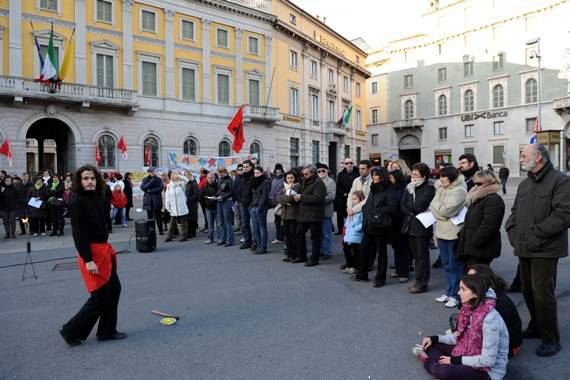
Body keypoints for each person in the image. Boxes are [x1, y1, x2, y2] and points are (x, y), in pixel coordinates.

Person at [505, 144, 570, 357]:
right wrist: (513, 233)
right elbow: (514, 213)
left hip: (546, 248)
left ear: (539, 157)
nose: (521, 160)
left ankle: (551, 339)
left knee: (542, 294)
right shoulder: (525, 184)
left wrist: (535, 235)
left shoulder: (561, 180)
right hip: (524, 247)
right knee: (528, 290)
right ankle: (535, 326)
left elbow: (563, 215)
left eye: (524, 156)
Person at [59, 164, 126, 347]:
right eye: (85, 179)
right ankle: (70, 330)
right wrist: (88, 260)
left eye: (92, 178)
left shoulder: (97, 195)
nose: (90, 182)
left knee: (114, 290)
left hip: (103, 250)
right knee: (99, 297)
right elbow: (78, 234)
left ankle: (107, 331)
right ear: (79, 182)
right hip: (92, 254)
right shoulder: (77, 201)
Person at [412, 274, 509, 380]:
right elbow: (457, 337)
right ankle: (450, 370)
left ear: (475, 293)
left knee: (444, 371)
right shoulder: (469, 308)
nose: (458, 292)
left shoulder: (490, 320)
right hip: (467, 353)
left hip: (488, 371)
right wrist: (434, 338)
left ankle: (428, 361)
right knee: (430, 345)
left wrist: (454, 360)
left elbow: (488, 360)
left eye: (463, 289)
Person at [430, 166, 468, 308]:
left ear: (450, 178)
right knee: (446, 265)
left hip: (453, 233)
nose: (440, 179)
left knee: (455, 265)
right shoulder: (442, 188)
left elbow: (447, 211)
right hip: (441, 231)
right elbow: (434, 204)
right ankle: (450, 291)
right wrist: (439, 210)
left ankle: (457, 295)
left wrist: (437, 210)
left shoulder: (459, 190)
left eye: (443, 177)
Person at [466, 264, 523, 357]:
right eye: (468, 277)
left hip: (509, 345)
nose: (468, 281)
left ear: (484, 279)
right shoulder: (484, 292)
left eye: (472, 278)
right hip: (499, 337)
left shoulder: (493, 300)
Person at [354, 167, 397, 286]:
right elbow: (368, 204)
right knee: (363, 249)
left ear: (382, 176)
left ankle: (380, 278)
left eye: (376, 175)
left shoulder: (389, 190)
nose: (373, 177)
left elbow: (392, 207)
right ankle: (362, 274)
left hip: (380, 225)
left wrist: (376, 212)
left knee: (381, 253)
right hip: (369, 224)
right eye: (373, 175)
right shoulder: (373, 188)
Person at [456, 170, 505, 267]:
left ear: (489, 183)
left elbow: (489, 226)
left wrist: (475, 241)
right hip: (473, 248)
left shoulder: (493, 199)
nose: (476, 186)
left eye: (479, 183)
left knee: (478, 277)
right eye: (475, 183)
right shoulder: (478, 198)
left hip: (482, 249)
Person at [401, 162, 436, 294]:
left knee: (422, 257)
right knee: (416, 256)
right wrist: (412, 210)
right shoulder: (409, 187)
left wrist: (412, 208)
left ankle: (422, 283)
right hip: (409, 225)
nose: (413, 177)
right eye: (412, 174)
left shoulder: (429, 188)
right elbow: (402, 206)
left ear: (424, 176)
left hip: (422, 226)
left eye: (416, 174)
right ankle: (418, 280)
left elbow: (420, 206)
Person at [294, 165, 326, 266]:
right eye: (303, 174)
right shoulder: (304, 181)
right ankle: (301, 255)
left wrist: (302, 197)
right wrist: (296, 197)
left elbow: (318, 198)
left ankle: (314, 258)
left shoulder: (319, 183)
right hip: (304, 213)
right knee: (299, 233)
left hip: (314, 214)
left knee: (315, 237)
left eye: (306, 174)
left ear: (312, 173)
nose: (304, 176)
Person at [387, 170, 410, 283]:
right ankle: (398, 269)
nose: (390, 180)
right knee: (396, 247)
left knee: (402, 248)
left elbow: (402, 203)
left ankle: (404, 272)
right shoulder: (391, 187)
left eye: (392, 177)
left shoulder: (403, 188)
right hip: (392, 221)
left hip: (400, 220)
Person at [278, 170, 301, 262]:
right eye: (288, 178)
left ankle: (294, 255)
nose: (290, 180)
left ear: (295, 178)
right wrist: (285, 201)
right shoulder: (285, 187)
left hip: (293, 215)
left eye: (291, 178)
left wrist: (286, 199)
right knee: (287, 236)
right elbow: (279, 199)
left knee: (293, 236)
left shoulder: (297, 186)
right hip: (285, 215)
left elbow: (290, 199)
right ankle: (289, 254)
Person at [342, 191, 365, 274]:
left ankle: (355, 266)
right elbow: (347, 222)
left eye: (355, 199)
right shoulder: (351, 210)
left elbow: (363, 223)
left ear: (361, 200)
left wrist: (355, 229)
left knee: (355, 252)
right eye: (352, 199)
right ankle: (349, 265)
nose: (353, 201)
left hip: (356, 235)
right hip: (349, 234)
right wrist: (347, 228)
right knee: (346, 250)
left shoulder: (361, 210)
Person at [317, 163, 336, 260]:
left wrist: (318, 199)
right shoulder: (315, 181)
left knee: (326, 233)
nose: (321, 172)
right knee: (319, 233)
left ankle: (327, 251)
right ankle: (321, 250)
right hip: (316, 212)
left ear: (327, 171)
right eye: (319, 171)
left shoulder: (330, 182)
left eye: (323, 170)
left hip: (326, 211)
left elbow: (331, 196)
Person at [335, 158, 359, 236]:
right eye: (347, 163)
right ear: (344, 165)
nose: (349, 165)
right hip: (343, 198)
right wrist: (344, 194)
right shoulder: (340, 174)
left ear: (354, 164)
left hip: (356, 198)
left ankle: (353, 229)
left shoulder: (358, 173)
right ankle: (340, 230)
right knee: (340, 215)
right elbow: (337, 187)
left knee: (354, 214)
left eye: (351, 163)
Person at [250, 166, 270, 254]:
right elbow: (253, 195)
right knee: (255, 228)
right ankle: (258, 245)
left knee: (262, 228)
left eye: (258, 173)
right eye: (255, 173)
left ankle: (263, 247)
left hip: (261, 207)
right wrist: (252, 206)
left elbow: (265, 196)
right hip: (254, 206)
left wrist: (260, 207)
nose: (256, 175)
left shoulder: (265, 182)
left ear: (262, 173)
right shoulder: (254, 182)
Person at [164, 171, 189, 242]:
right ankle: (170, 236)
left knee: (183, 223)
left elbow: (186, 180)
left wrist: (178, 176)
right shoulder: (169, 186)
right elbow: (167, 197)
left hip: (181, 207)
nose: (173, 177)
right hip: (173, 208)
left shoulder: (181, 184)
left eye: (174, 176)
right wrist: (167, 207)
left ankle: (184, 236)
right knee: (172, 223)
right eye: (172, 176)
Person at [140, 168, 164, 235]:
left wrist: (150, 191)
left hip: (156, 200)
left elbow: (160, 188)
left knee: (158, 217)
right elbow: (142, 187)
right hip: (148, 201)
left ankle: (160, 230)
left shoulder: (158, 179)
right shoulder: (145, 179)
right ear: (149, 172)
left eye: (153, 172)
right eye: (151, 172)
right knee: (150, 217)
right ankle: (151, 231)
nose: (152, 173)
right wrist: (150, 183)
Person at [238, 160, 254, 249]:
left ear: (251, 167)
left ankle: (256, 242)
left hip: (251, 203)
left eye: (247, 167)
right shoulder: (242, 176)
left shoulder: (254, 176)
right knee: (244, 224)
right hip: (243, 203)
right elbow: (239, 189)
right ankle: (247, 241)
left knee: (255, 225)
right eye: (244, 167)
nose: (245, 168)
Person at [216, 167, 234, 247]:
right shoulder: (220, 180)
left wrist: (223, 197)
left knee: (228, 222)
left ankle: (229, 240)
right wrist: (215, 196)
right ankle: (223, 239)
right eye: (219, 172)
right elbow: (219, 190)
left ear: (224, 172)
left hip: (227, 202)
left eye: (221, 172)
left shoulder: (229, 180)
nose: (220, 174)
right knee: (220, 222)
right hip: (220, 201)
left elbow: (231, 192)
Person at [269, 163, 285, 244]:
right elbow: (271, 189)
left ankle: (282, 237)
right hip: (274, 202)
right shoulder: (273, 178)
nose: (278, 171)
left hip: (281, 202)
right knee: (277, 220)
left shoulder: (284, 178)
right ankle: (279, 237)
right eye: (277, 169)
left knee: (283, 220)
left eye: (279, 169)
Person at [200, 172, 218, 244]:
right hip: (208, 208)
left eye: (211, 178)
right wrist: (205, 205)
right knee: (210, 225)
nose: (209, 179)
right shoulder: (204, 187)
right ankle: (210, 238)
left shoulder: (218, 186)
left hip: (217, 207)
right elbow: (201, 198)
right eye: (208, 178)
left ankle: (220, 238)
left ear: (214, 178)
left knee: (219, 224)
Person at [184, 171, 200, 239]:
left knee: (192, 218)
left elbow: (196, 193)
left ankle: (192, 232)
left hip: (192, 203)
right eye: (185, 175)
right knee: (188, 218)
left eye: (187, 175)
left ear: (190, 175)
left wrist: (190, 199)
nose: (186, 176)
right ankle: (189, 232)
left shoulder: (193, 183)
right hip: (186, 203)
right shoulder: (186, 183)